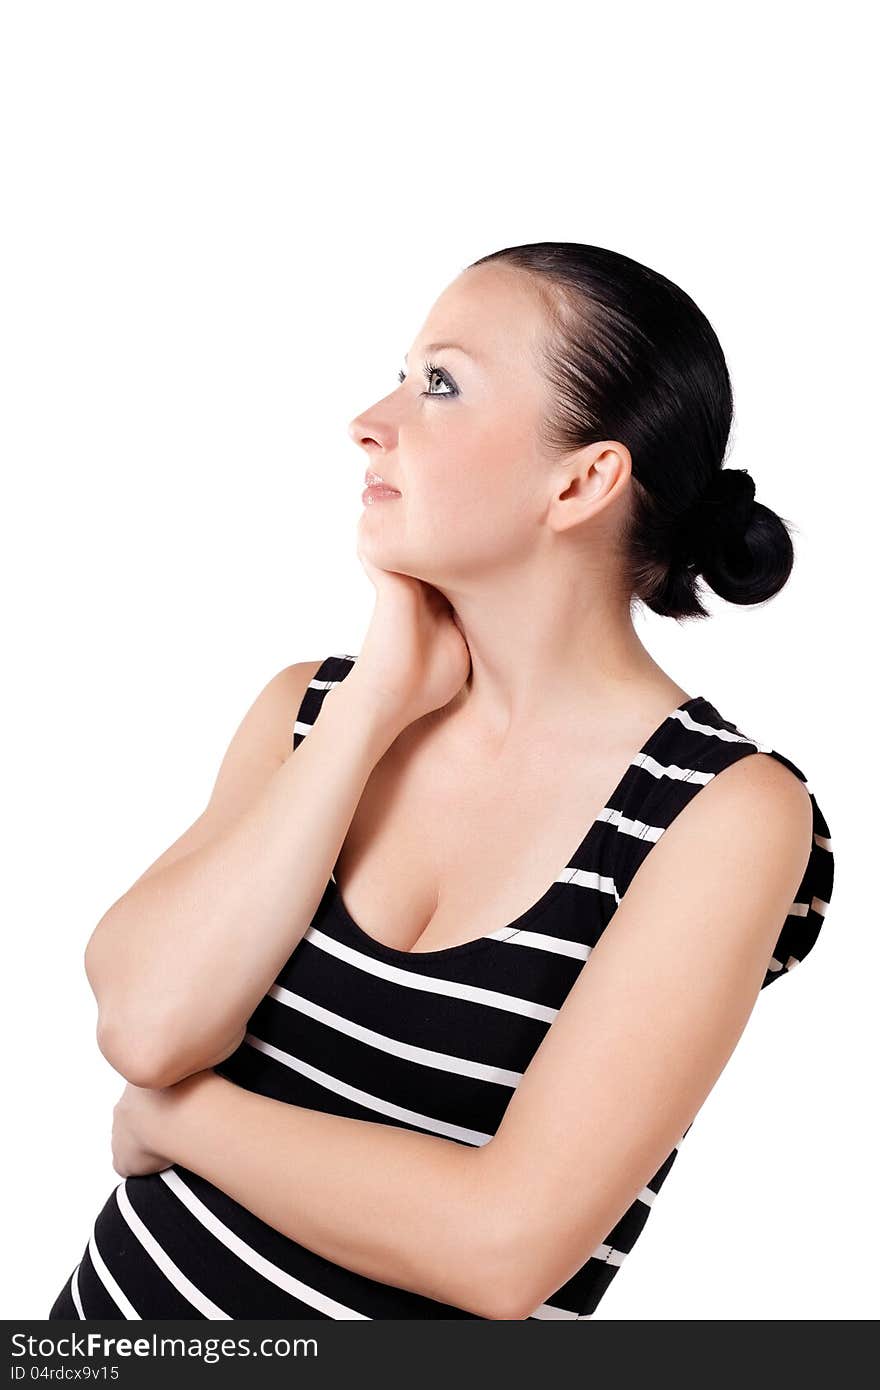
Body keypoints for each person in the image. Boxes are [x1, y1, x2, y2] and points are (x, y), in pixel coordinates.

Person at [48, 242, 834, 1320]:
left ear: (582, 480)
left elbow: (502, 1250)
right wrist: (374, 700)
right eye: (402, 371)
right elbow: (144, 1028)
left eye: (441, 384)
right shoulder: (312, 711)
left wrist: (176, 1122)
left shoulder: (724, 815)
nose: (370, 419)